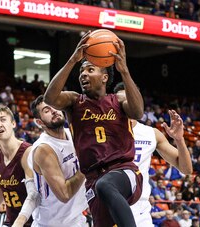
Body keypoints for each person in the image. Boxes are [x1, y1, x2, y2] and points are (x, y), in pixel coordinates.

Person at [44, 31, 144, 227]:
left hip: (123, 171)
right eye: (81, 71)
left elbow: (138, 112)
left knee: (106, 184)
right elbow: (49, 98)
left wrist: (124, 71)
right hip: (93, 180)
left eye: (90, 70)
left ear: (105, 77)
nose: (83, 74)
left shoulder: (119, 100)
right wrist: (73, 60)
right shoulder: (74, 101)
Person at [113, 82, 193, 226]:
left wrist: (179, 140)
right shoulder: (102, 131)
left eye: (128, 100)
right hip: (109, 208)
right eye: (119, 101)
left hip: (140, 211)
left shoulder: (151, 133)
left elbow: (186, 169)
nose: (124, 105)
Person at [28, 95, 88, 227]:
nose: (54, 110)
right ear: (40, 122)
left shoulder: (74, 134)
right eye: (46, 110)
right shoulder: (43, 149)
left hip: (76, 219)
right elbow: (64, 194)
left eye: (54, 106)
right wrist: (87, 164)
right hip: (50, 224)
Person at [0, 105, 39, 227]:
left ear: (13, 124)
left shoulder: (27, 152)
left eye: (3, 119)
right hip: (11, 221)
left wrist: (19, 223)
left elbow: (34, 194)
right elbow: (3, 187)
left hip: (34, 221)